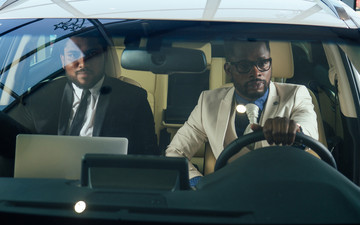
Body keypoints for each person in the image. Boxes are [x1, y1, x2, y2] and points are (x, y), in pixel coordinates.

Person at [166, 40, 318, 186]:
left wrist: (293, 130)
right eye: (244, 65)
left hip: (281, 194)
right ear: (228, 69)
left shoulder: (296, 94)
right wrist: (202, 185)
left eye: (263, 63)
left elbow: (308, 131)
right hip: (229, 197)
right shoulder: (209, 102)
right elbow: (175, 153)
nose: (256, 72)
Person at [0, 31, 159, 160]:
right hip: (50, 184)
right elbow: (18, 146)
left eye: (92, 53)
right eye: (73, 54)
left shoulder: (133, 98)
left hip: (109, 189)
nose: (82, 62)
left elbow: (149, 156)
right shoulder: (40, 96)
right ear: (63, 61)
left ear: (103, 58)